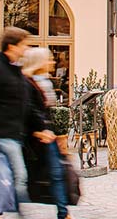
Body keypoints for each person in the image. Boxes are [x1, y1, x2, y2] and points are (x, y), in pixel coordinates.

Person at [0, 27, 52, 219]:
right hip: (0, 136)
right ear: (11, 46)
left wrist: (41, 128)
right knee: (18, 178)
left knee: (0, 181)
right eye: (24, 45)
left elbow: (26, 105)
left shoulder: (16, 72)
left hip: (15, 136)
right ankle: (15, 215)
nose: (26, 49)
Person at [22, 47, 71, 219]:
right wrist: (38, 132)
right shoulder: (29, 83)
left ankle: (63, 212)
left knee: (57, 174)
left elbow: (44, 112)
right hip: (38, 137)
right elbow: (29, 112)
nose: (52, 62)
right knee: (25, 177)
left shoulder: (44, 81)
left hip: (46, 135)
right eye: (48, 59)